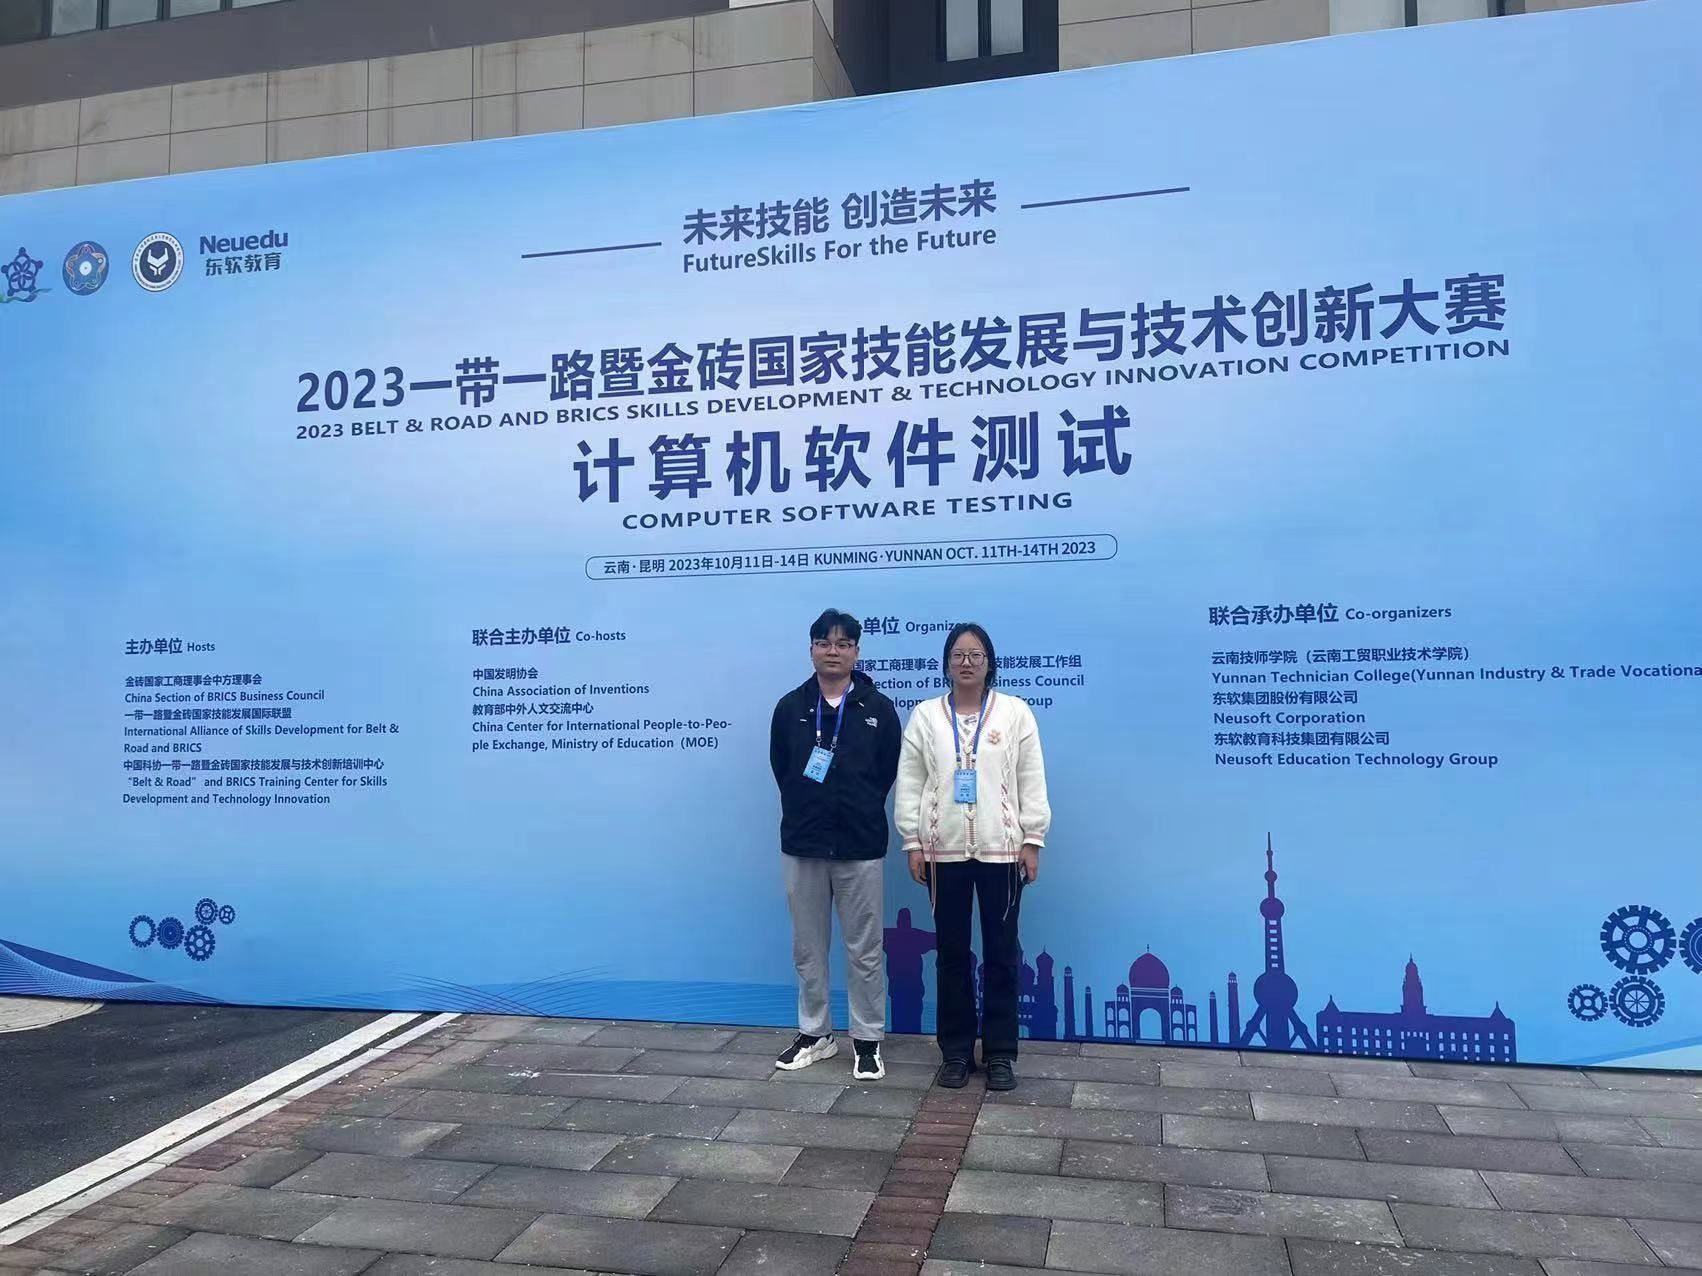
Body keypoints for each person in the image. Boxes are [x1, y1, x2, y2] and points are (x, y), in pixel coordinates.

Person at [895, 622, 1050, 1091]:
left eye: (975, 654)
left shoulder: (1015, 713)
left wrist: (1032, 838)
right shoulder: (925, 716)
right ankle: (957, 1052)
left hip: (1003, 852)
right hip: (943, 853)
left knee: (1002, 954)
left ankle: (1000, 1053)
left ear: (989, 662)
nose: (966, 662)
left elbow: (1030, 777)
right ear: (946, 663)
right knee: (951, 955)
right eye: (958, 655)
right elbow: (911, 782)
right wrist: (913, 842)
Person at [770, 608, 902, 1081]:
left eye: (843, 643)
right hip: (803, 844)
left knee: (865, 949)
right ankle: (815, 1034)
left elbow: (887, 772)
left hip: (859, 845)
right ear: (811, 649)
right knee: (808, 947)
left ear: (856, 652)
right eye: (824, 642)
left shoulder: (878, 709)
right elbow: (782, 768)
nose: (833, 650)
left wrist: (857, 808)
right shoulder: (790, 707)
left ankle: (867, 1040)